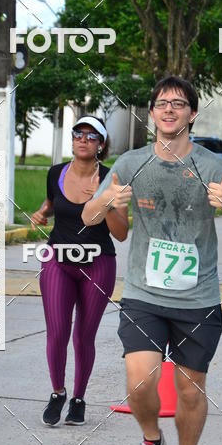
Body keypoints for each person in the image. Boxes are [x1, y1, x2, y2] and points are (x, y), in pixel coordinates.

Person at [82, 75, 222, 445]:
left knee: (189, 389)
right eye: (161, 103)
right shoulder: (130, 164)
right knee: (139, 380)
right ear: (151, 112)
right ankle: (151, 441)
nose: (168, 109)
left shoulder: (215, 167)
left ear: (192, 114)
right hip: (144, 293)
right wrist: (108, 203)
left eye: (178, 104)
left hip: (197, 298)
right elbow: (96, 220)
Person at [30, 116, 128, 427]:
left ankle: (78, 400)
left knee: (83, 336)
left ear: (101, 144)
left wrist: (107, 203)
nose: (83, 139)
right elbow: (50, 202)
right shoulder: (56, 172)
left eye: (91, 135)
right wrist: (42, 212)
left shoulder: (113, 180)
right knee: (57, 332)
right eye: (78, 134)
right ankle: (57, 392)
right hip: (58, 259)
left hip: (98, 264)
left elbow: (122, 233)